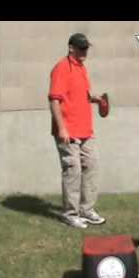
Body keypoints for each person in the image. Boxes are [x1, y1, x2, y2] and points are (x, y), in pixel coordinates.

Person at [48, 33, 106, 229]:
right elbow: (54, 99)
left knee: (92, 166)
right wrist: (62, 128)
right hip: (68, 131)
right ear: (71, 48)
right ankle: (70, 214)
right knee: (73, 171)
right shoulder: (61, 68)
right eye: (81, 48)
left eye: (86, 48)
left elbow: (82, 95)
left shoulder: (82, 68)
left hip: (85, 130)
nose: (84, 52)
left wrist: (95, 99)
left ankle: (86, 210)